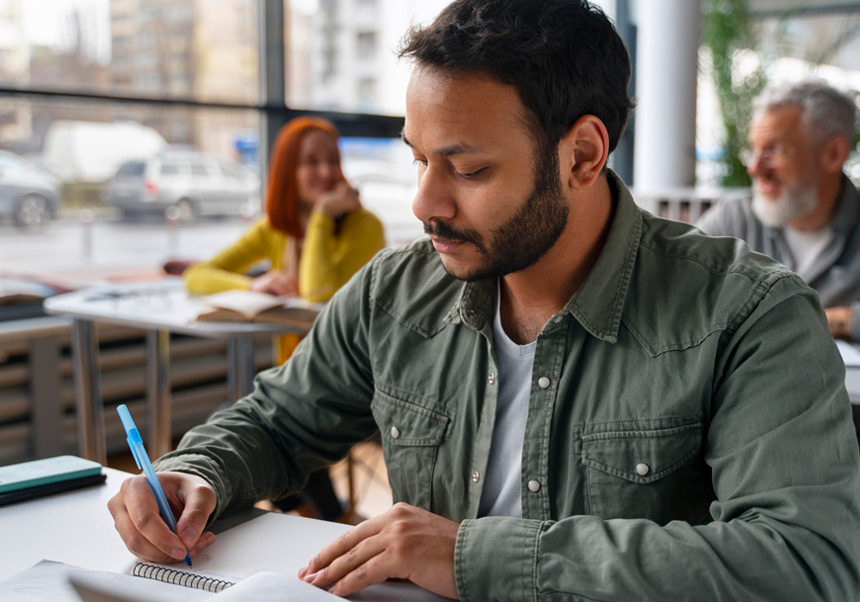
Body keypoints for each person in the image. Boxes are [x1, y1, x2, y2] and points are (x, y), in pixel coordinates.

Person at [108, 1, 860, 599]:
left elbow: (807, 563)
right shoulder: (393, 291)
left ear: (583, 155)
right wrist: (199, 472)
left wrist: (475, 557)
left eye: (466, 170)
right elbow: (278, 422)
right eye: (418, 159)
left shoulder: (750, 314)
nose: (423, 203)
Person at [185, 116, 386, 524]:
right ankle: (319, 519)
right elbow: (197, 275)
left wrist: (322, 216)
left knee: (279, 429)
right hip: (296, 376)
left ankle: (323, 520)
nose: (326, 172)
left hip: (355, 379)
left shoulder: (364, 226)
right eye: (311, 162)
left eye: (333, 161)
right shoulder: (275, 229)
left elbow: (318, 292)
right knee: (245, 422)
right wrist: (252, 283)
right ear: (287, 170)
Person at [697, 80, 860, 340]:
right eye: (754, 150)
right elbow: (673, 294)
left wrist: (821, 320)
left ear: (833, 153)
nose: (755, 168)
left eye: (773, 149)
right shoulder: (732, 221)